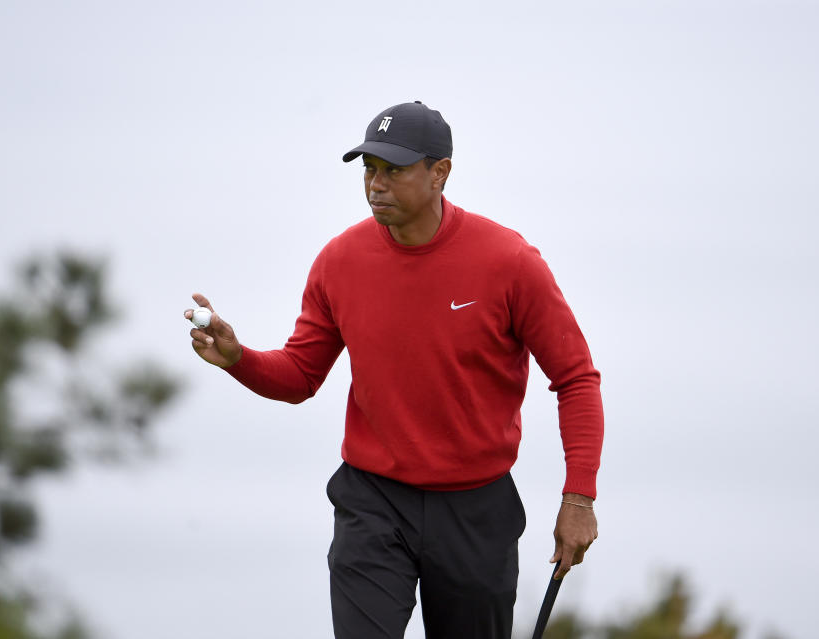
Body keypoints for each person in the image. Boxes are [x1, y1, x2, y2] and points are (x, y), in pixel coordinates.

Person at [185, 101, 604, 639]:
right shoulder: (339, 261)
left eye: (394, 170)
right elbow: (300, 376)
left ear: (440, 173)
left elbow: (576, 380)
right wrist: (240, 359)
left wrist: (579, 499)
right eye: (369, 169)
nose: (376, 185)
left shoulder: (509, 262)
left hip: (476, 510)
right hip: (373, 502)